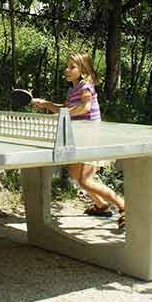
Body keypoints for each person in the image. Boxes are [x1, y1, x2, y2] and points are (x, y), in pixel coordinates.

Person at [31, 53, 126, 230]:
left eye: (72, 67)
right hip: (79, 137)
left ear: (83, 70)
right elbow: (66, 109)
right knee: (77, 175)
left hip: (91, 137)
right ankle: (101, 205)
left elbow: (85, 107)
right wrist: (46, 104)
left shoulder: (86, 86)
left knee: (85, 179)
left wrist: (62, 115)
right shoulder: (73, 89)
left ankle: (124, 206)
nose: (67, 70)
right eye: (66, 66)